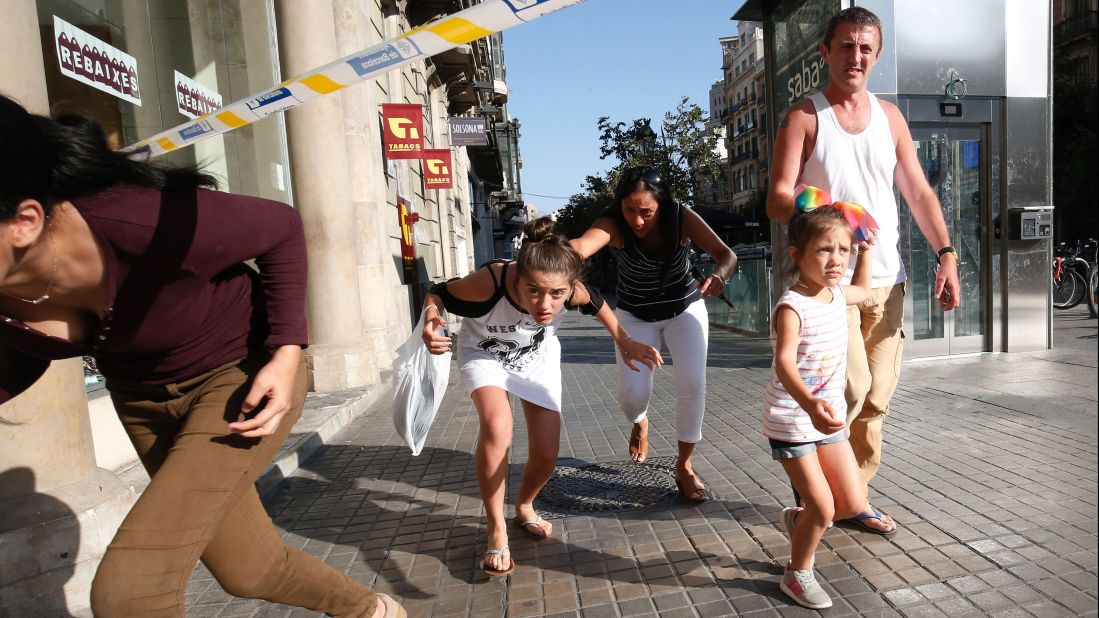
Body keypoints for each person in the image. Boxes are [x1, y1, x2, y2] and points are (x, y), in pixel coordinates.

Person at [0, 95, 404, 618]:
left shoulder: (143, 224)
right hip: (141, 402)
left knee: (130, 595)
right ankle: (373, 612)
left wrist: (286, 352)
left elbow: (282, 227)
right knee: (249, 569)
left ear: (25, 222)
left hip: (240, 379)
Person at [766, 6, 961, 534]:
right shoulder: (805, 117)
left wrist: (946, 254)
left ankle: (852, 499)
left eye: (866, 48)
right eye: (846, 46)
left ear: (877, 54)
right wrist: (832, 208)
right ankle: (816, 496)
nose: (856, 57)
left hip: (888, 279)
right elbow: (778, 201)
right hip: (828, 285)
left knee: (876, 398)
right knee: (847, 390)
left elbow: (917, 191)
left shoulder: (890, 117)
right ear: (825, 52)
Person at [421, 217, 662, 577]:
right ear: (518, 277)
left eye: (556, 294)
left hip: (536, 358)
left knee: (547, 454)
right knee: (497, 425)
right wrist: (430, 318)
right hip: (485, 353)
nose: (545, 304)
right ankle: (495, 528)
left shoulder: (571, 290)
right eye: (533, 291)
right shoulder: (491, 281)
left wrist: (624, 340)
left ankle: (525, 507)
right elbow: (438, 291)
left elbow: (597, 303)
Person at [571, 166, 736, 502]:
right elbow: (581, 246)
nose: (637, 220)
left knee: (693, 384)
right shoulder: (613, 224)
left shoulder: (681, 217)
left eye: (645, 211)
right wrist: (553, 259)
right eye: (629, 210)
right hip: (635, 316)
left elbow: (726, 255)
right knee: (633, 396)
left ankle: (685, 466)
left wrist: (720, 275)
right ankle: (640, 421)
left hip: (685, 309)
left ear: (661, 204)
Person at [767, 204, 876, 610]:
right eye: (824, 250)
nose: (836, 259)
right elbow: (783, 362)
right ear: (797, 254)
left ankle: (798, 521)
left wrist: (866, 253)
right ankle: (797, 574)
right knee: (824, 506)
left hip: (825, 419)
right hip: (793, 419)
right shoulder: (792, 305)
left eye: (843, 250)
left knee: (850, 504)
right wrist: (810, 403)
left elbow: (862, 291)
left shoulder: (835, 295)